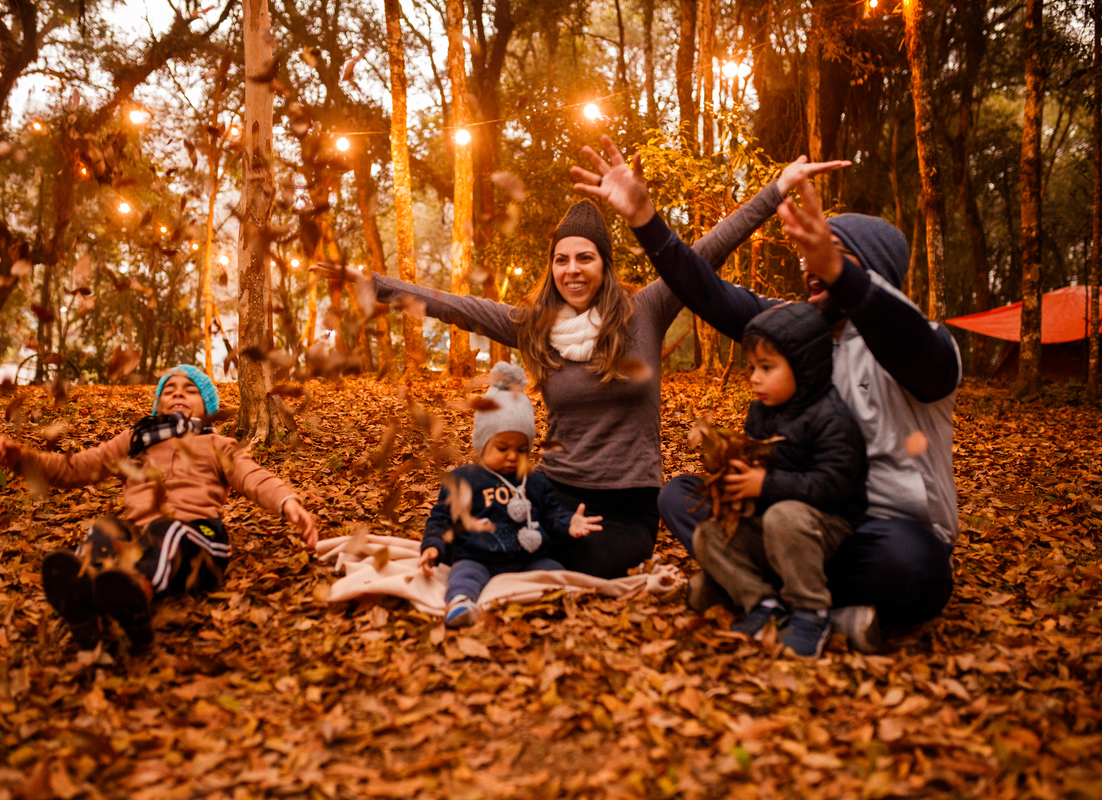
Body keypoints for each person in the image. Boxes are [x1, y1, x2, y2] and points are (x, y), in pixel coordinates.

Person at [314, 157, 846, 578]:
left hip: (627, 504)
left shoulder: (647, 310)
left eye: (585, 257)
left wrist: (777, 189)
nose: (572, 269)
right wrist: (372, 284)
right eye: (562, 259)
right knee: (502, 532)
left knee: (578, 560)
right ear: (552, 267)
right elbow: (454, 305)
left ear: (604, 264)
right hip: (552, 491)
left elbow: (707, 248)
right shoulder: (533, 324)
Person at [573, 136, 960, 644]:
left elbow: (905, 338)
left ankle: (761, 590)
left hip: (881, 533)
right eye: (809, 256)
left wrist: (840, 273)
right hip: (793, 517)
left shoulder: (924, 343)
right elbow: (709, 293)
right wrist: (645, 217)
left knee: (917, 569)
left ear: (873, 272)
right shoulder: (800, 330)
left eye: (830, 256)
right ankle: (793, 598)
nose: (809, 268)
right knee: (681, 498)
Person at [0, 365, 317, 650]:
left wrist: (286, 500)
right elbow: (75, 468)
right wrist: (21, 460)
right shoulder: (136, 440)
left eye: (190, 391)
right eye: (169, 390)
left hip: (198, 542)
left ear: (208, 406)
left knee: (165, 531)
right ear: (158, 403)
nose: (178, 395)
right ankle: (84, 601)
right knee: (105, 529)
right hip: (137, 539)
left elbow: (252, 476)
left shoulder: (216, 443)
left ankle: (135, 597)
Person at [696, 302, 867, 657]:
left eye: (767, 368)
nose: (754, 377)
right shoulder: (760, 411)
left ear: (803, 367)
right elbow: (755, 460)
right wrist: (733, 478)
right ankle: (763, 604)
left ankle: (811, 612)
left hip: (826, 525)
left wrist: (766, 485)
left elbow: (835, 486)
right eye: (753, 367)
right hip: (773, 522)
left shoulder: (830, 417)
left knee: (784, 517)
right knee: (708, 534)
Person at [419, 362, 602, 627]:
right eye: (502, 447)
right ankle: (461, 603)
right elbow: (441, 519)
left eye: (521, 449)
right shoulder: (464, 479)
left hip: (528, 559)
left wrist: (568, 523)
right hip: (478, 557)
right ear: (482, 444)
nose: (512, 456)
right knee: (463, 575)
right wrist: (432, 547)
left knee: (555, 572)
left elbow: (551, 514)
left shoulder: (536, 481)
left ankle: (556, 601)